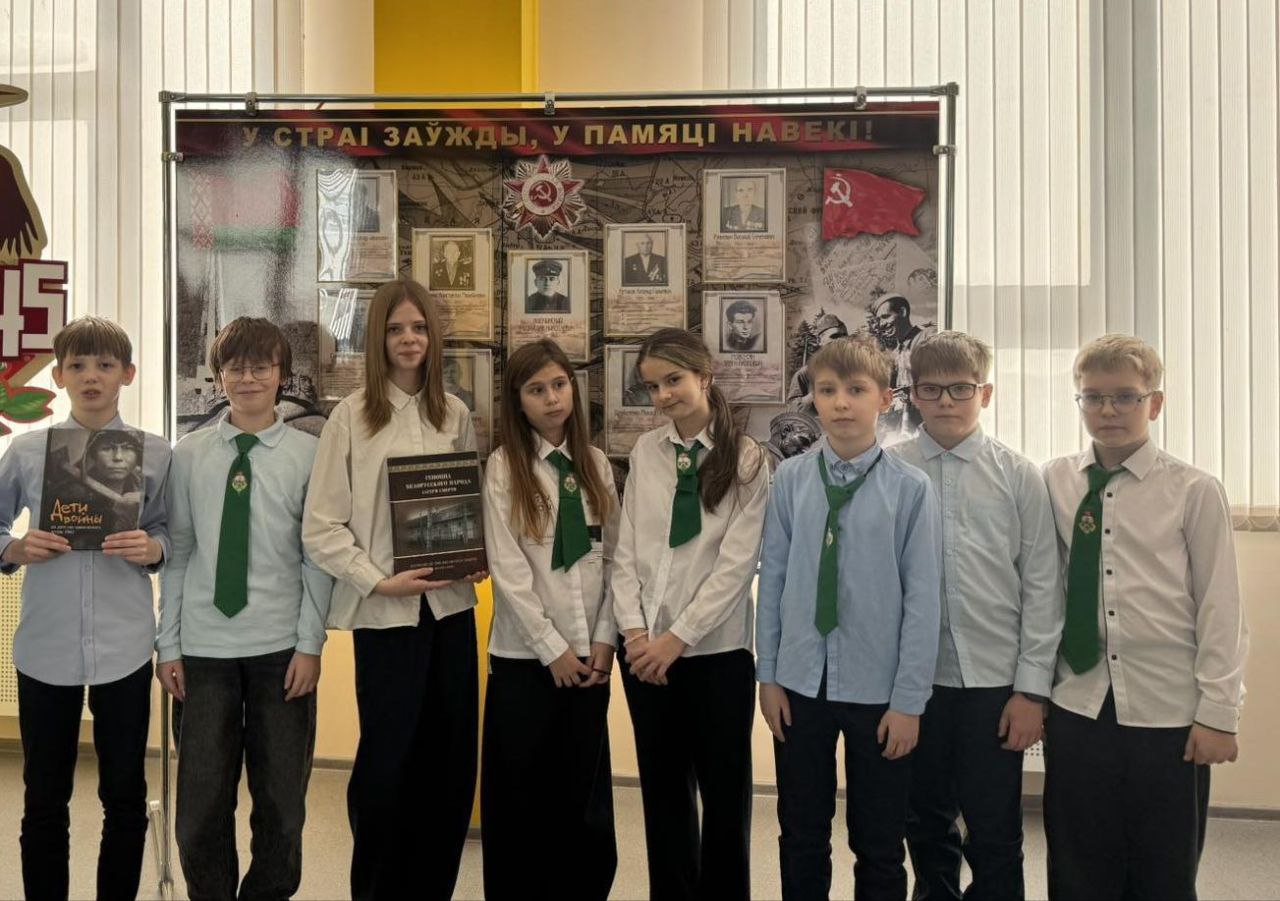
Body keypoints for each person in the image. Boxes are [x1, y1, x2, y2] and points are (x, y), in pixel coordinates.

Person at [1041, 334, 1248, 900]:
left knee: (1164, 865)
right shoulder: (1054, 480)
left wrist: (1220, 712)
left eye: (1125, 397)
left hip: (1167, 707)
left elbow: (1221, 606)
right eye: (1093, 397)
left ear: (1154, 403)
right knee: (1077, 861)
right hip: (1078, 700)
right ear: (1079, 401)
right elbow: (1042, 588)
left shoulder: (1194, 490)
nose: (1108, 410)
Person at [302, 278, 489, 901]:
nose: (409, 339)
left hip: (450, 612)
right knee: (387, 767)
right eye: (395, 329)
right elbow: (321, 528)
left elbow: (466, 503)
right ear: (377, 338)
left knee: (450, 763)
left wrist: (472, 554)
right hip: (387, 618)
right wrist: (377, 581)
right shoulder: (350, 418)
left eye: (419, 328)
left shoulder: (453, 413)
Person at [757, 333, 941, 900]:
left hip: (879, 690)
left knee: (880, 840)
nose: (840, 402)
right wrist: (769, 677)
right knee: (801, 832)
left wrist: (909, 703)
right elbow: (774, 581)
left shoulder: (910, 489)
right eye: (827, 390)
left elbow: (923, 601)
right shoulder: (790, 480)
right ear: (812, 397)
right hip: (800, 683)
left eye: (856, 390)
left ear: (884, 399)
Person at [156, 317, 334, 900]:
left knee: (282, 807)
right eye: (235, 367)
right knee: (200, 809)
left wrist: (310, 645)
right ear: (219, 376)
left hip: (281, 654)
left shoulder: (309, 455)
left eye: (261, 366)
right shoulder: (189, 455)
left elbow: (316, 559)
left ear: (283, 375)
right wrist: (168, 645)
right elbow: (179, 552)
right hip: (203, 654)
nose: (248, 377)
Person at [0, 316, 171, 901]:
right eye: (77, 365)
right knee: (44, 798)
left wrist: (153, 548)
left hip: (125, 647)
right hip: (45, 647)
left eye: (104, 365)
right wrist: (15, 548)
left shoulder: (155, 453)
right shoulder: (27, 451)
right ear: (58, 376)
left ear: (128, 374)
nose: (91, 376)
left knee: (124, 796)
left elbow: (171, 533)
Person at [889, 331, 1062, 900]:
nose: (946, 401)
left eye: (960, 388)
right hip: (915, 683)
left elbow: (1043, 586)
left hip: (995, 682)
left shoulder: (1018, 475)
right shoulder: (889, 471)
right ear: (912, 394)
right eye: (931, 389)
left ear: (985, 393)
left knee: (995, 829)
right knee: (924, 823)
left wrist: (1031, 691)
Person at [611, 328, 770, 900]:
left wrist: (675, 640)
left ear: (704, 375)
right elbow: (626, 551)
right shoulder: (647, 452)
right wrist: (635, 634)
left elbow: (736, 568)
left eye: (673, 380)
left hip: (715, 654)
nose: (663, 396)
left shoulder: (747, 459)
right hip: (644, 656)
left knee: (725, 800)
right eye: (652, 386)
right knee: (663, 798)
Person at [480, 339, 620, 900]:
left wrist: (605, 641)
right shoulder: (504, 467)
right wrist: (551, 649)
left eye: (559, 385)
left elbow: (617, 560)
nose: (552, 398)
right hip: (526, 659)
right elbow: (508, 571)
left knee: (583, 795)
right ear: (518, 401)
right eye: (536, 390)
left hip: (591, 660)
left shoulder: (596, 465)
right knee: (520, 795)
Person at [869, 293, 933, 437]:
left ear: (903, 312)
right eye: (879, 320)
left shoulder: (927, 337)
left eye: (885, 317)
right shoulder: (895, 353)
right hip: (901, 423)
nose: (881, 324)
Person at [786, 310, 849, 416]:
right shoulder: (805, 375)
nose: (841, 340)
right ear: (820, 340)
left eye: (844, 335)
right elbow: (792, 412)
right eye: (834, 336)